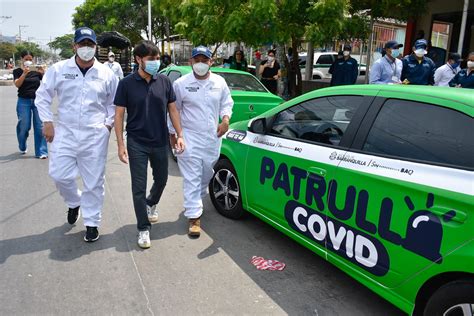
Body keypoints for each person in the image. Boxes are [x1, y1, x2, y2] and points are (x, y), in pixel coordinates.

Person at [35, 27, 119, 242]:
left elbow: (114, 104)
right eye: (82, 44)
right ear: (74, 46)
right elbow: (42, 95)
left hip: (94, 135)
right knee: (58, 175)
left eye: (90, 45)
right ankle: (74, 202)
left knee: (94, 182)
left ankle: (92, 222)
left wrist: (107, 127)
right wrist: (47, 122)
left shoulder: (106, 73)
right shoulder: (59, 69)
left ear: (95, 47)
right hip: (65, 132)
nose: (86, 49)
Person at [114, 41, 185, 249]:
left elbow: (173, 110)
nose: (155, 62)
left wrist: (179, 134)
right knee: (138, 187)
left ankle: (151, 202)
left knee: (162, 179)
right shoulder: (126, 83)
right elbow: (119, 115)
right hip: (137, 141)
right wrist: (120, 144)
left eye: (156, 58)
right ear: (138, 59)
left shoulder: (164, 81)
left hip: (160, 140)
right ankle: (143, 228)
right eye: (151, 59)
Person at [171, 45, 233, 237]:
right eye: (196, 60)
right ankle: (194, 217)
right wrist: (175, 135)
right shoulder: (181, 84)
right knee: (192, 177)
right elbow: (174, 111)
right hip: (189, 137)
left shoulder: (219, 82)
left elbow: (227, 103)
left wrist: (225, 120)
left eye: (204, 60)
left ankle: (196, 200)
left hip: (212, 138)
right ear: (190, 62)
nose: (200, 64)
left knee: (206, 174)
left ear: (210, 62)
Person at [13, 50, 48, 158]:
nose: (28, 61)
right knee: (24, 125)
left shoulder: (36, 71)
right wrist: (24, 73)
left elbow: (48, 83)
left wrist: (43, 73)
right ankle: (22, 145)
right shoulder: (17, 71)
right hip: (24, 100)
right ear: (22, 60)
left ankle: (41, 152)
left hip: (38, 101)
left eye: (30, 59)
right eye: (26, 59)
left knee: (39, 126)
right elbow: (17, 84)